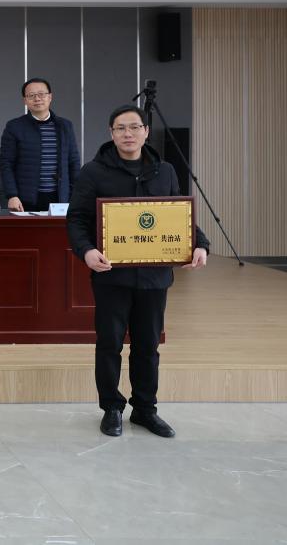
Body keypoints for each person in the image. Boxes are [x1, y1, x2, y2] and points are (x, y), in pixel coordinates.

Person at [67, 103, 209, 439]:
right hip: (111, 275)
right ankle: (112, 408)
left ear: (146, 132)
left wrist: (200, 243)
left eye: (134, 127)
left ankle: (145, 409)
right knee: (110, 343)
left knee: (147, 345)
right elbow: (76, 219)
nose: (128, 134)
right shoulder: (93, 172)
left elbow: (179, 214)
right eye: (120, 128)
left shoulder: (165, 171)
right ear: (111, 133)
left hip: (154, 276)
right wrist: (86, 251)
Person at [0, 77, 82, 212]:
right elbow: (6, 164)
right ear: (25, 100)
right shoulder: (14, 127)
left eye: (41, 94)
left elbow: (74, 162)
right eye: (31, 95)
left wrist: (76, 195)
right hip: (26, 199)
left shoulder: (65, 126)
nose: (37, 99)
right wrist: (12, 195)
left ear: (50, 97)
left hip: (60, 198)